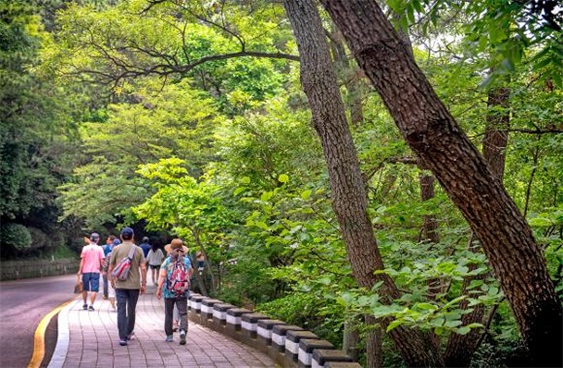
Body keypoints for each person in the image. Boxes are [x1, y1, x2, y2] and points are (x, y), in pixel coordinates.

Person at [108, 227, 147, 346]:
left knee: (121, 309)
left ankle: (122, 337)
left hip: (120, 284)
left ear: (121, 237)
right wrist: (143, 284)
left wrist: (112, 280)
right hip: (134, 285)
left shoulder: (116, 249)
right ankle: (129, 332)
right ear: (132, 236)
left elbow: (111, 267)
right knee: (131, 309)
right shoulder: (138, 249)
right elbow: (143, 268)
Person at [157, 238, 192, 345]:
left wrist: (159, 288)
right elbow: (190, 273)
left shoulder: (167, 261)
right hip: (182, 291)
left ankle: (169, 336)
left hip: (169, 291)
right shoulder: (186, 261)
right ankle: (182, 331)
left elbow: (162, 275)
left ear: (171, 249)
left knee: (169, 314)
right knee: (183, 313)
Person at [77, 232, 105, 311]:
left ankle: (85, 304)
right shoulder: (99, 248)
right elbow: (102, 260)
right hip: (95, 271)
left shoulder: (85, 248)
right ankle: (91, 305)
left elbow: (82, 260)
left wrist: (80, 270)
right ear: (98, 239)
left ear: (90, 239)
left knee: (85, 288)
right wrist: (103, 270)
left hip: (85, 271)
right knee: (94, 289)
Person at [102, 235, 116, 299]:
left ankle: (105, 295)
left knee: (105, 282)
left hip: (107, 266)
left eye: (108, 239)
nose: (107, 241)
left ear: (111, 241)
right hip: (116, 268)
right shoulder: (118, 247)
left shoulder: (105, 247)